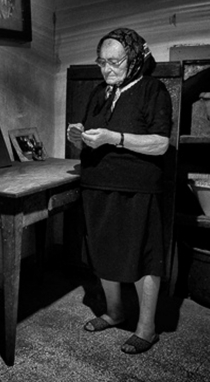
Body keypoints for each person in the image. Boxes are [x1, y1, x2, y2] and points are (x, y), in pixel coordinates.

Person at [67, 28, 172, 354]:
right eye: (102, 62)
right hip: (97, 183)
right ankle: (114, 312)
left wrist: (115, 138)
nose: (107, 69)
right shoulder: (99, 92)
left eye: (115, 62)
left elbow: (160, 144)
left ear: (135, 58)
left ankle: (147, 328)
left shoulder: (153, 90)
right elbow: (91, 138)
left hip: (136, 187)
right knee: (104, 252)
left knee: (142, 256)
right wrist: (78, 137)